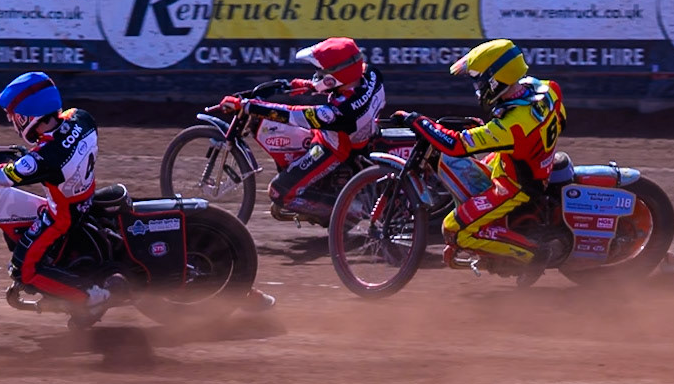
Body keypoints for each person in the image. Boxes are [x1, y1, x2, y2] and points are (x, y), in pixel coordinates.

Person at [0, 71, 123, 324]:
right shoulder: (81, 118)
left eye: (13, 116)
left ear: (27, 116)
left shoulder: (45, 157)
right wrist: (32, 152)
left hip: (62, 216)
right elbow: (58, 144)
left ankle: (90, 298)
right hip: (83, 198)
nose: (12, 122)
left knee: (23, 270)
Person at [394, 38, 568, 272]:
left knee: (453, 230)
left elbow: (456, 146)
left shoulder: (513, 126)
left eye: (481, 82)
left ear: (497, 80)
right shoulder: (548, 89)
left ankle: (533, 254)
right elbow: (561, 122)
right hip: (526, 163)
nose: (479, 88)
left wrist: (419, 121)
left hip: (515, 186)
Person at [214, 37, 385, 219]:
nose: (318, 73)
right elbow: (346, 80)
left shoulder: (340, 111)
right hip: (361, 135)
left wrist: (248, 106)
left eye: (322, 70)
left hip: (334, 147)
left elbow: (293, 114)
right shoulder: (370, 74)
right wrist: (305, 85)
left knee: (278, 192)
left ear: (336, 74)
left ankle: (348, 212)